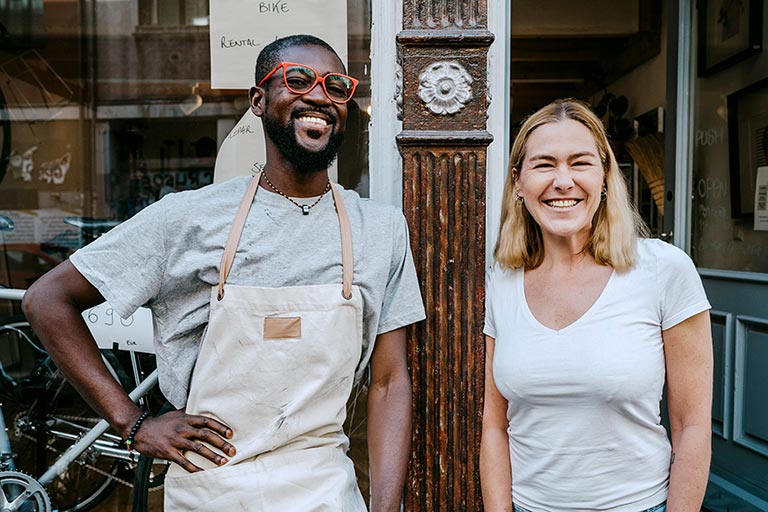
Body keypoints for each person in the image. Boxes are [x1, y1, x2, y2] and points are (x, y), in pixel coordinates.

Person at [22, 34, 425, 511]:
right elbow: (47, 301)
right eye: (298, 80)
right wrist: (133, 423)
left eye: (337, 87)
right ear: (259, 100)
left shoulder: (379, 230)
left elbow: (389, 382)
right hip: (210, 490)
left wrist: (385, 508)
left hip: (324, 489)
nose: (319, 96)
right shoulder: (186, 219)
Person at [480, 99, 713, 512]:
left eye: (580, 163)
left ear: (605, 177)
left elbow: (691, 426)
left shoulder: (663, 270)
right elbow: (495, 427)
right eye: (544, 164)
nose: (563, 181)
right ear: (518, 182)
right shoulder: (504, 280)